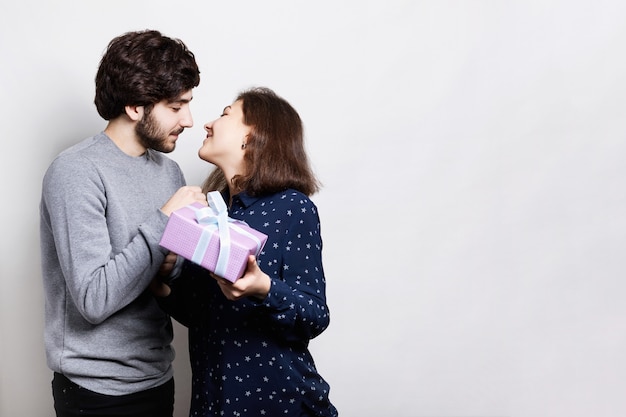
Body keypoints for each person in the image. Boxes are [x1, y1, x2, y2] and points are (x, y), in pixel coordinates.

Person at [39, 29, 206, 417]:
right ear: (135, 107)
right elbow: (93, 300)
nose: (190, 119)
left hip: (158, 378)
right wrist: (164, 221)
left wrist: (171, 265)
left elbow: (170, 277)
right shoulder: (76, 171)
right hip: (95, 392)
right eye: (176, 106)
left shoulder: (170, 174)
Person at [153, 87, 338, 416]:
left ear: (252, 136)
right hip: (213, 401)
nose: (208, 123)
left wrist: (262, 287)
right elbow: (202, 314)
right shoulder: (212, 214)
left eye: (225, 114)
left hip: (278, 404)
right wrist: (162, 279)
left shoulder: (292, 208)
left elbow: (314, 315)